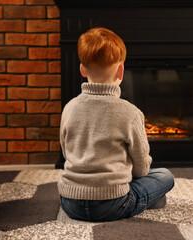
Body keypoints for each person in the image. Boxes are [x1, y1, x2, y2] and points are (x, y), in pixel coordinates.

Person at [58, 27, 174, 222]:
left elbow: (66, 151)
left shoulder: (69, 108)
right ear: (121, 70)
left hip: (70, 202)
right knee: (164, 176)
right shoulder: (130, 113)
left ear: (82, 68)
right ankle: (146, 200)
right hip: (112, 204)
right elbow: (141, 169)